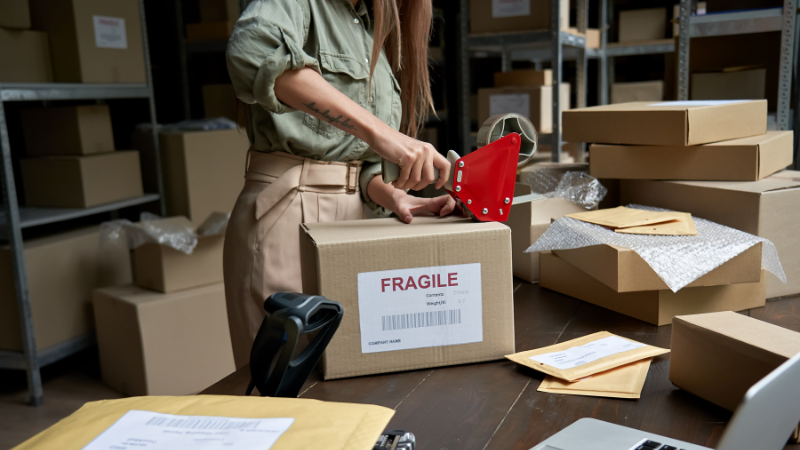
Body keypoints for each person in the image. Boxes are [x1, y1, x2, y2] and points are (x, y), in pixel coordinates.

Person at [224, 0, 455, 367]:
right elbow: (252, 51)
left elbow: (352, 158)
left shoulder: (365, 29)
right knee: (292, 385)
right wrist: (380, 133)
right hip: (293, 210)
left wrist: (394, 196)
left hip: (358, 219)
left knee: (355, 372)